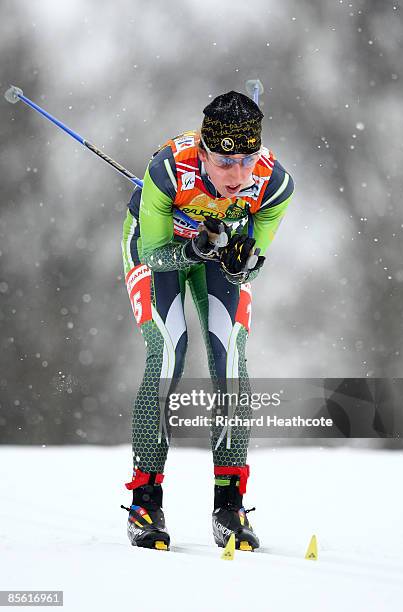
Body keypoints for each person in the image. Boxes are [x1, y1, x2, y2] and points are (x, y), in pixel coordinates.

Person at [121, 91, 294, 551]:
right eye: (225, 161)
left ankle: (229, 504)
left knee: (231, 362)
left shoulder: (274, 184)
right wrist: (193, 248)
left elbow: (254, 261)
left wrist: (243, 261)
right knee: (168, 354)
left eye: (248, 159)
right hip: (159, 249)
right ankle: (145, 501)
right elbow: (156, 255)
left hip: (214, 252)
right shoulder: (167, 170)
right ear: (203, 152)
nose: (238, 175)